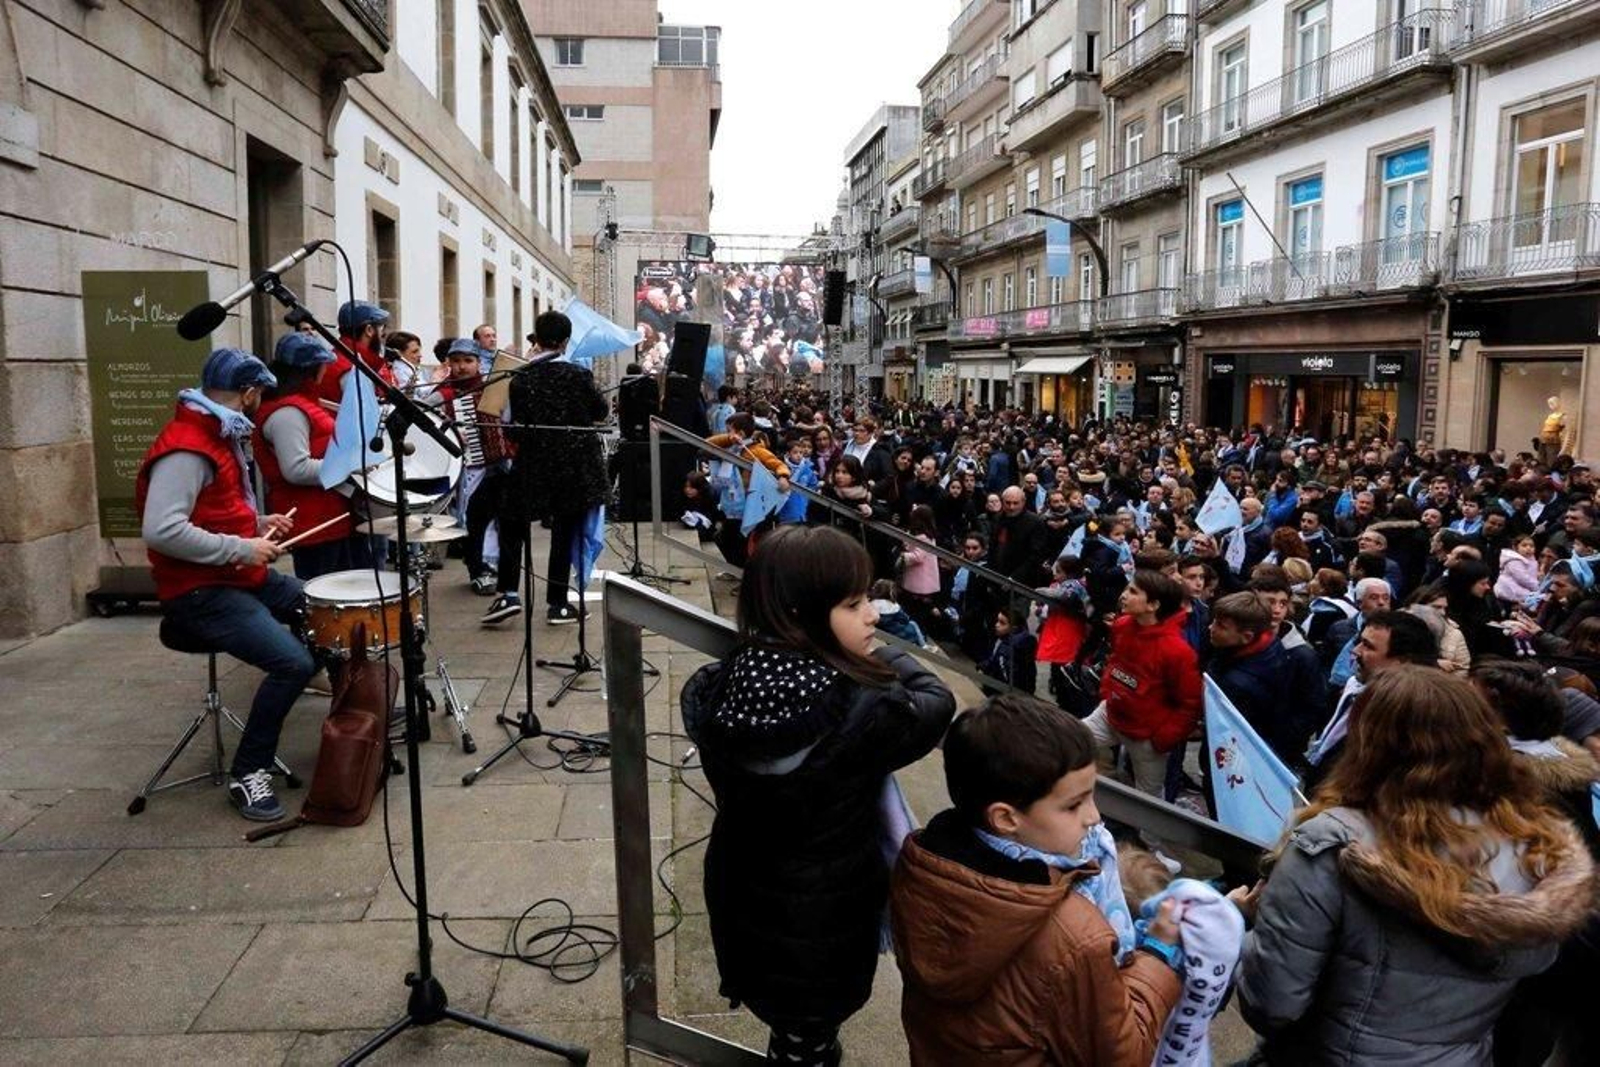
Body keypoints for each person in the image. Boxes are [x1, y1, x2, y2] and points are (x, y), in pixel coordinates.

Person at [679, 527, 956, 1067]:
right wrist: (877, 658)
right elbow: (936, 701)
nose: (873, 615)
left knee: (793, 1028)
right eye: (854, 605)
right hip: (825, 922)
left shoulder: (733, 683)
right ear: (801, 615)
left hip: (748, 899)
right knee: (811, 1031)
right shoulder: (865, 713)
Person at [1235, 666, 1596, 1065]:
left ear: (1370, 743)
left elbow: (1272, 1003)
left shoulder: (1332, 845)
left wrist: (1245, 924)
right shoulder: (1532, 844)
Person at [891, 694, 1183, 1064]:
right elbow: (1122, 1057)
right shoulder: (1076, 936)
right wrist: (1158, 954)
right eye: (1073, 805)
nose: (1094, 817)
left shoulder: (926, 865)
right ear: (1006, 818)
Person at [135, 348, 310, 822]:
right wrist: (242, 548)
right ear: (250, 393)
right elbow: (163, 529)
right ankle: (248, 772)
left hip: (233, 573)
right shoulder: (188, 446)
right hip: (199, 590)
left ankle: (349, 721)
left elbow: (210, 510)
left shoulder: (215, 431)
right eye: (259, 395)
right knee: (293, 663)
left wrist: (257, 520)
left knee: (319, 606)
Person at [485, 311, 608, 626]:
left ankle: (508, 593)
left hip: (533, 462)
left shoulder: (519, 377)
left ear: (536, 339)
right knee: (564, 532)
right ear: (566, 342)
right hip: (575, 466)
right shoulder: (579, 376)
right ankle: (557, 603)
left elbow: (511, 428)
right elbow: (600, 410)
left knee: (512, 523)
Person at [252, 332, 371, 580]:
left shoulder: (302, 403)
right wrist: (352, 466)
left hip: (330, 516)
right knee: (325, 599)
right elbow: (296, 469)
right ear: (312, 368)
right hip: (313, 522)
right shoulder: (287, 412)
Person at [1084, 570, 1202, 798]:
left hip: (1146, 736)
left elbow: (1190, 704)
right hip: (1110, 715)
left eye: (1133, 591)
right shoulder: (1122, 625)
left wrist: (1160, 740)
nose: (1124, 595)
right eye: (1128, 588)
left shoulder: (1177, 652)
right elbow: (1115, 660)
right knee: (1067, 740)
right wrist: (1108, 692)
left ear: (1153, 605)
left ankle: (1147, 836)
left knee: (1148, 800)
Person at [1302, 610, 1439, 790]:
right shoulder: (1356, 690)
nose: (1355, 650)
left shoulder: (1407, 722)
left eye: (1368, 646)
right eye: (1360, 641)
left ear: (1402, 662)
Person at [319, 300, 391, 403]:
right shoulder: (352, 370)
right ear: (369, 330)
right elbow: (366, 415)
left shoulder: (340, 357)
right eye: (381, 329)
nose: (383, 335)